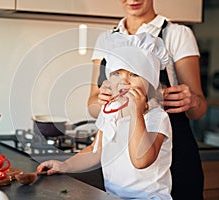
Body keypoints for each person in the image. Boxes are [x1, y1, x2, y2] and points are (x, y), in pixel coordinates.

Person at [87, 1, 207, 199]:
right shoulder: (106, 39)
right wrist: (103, 99)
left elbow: (199, 110)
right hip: (124, 162)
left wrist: (192, 101)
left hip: (174, 151)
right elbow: (92, 105)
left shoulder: (176, 34)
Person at [37, 32, 173, 199]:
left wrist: (136, 112)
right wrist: (64, 165)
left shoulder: (156, 117)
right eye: (117, 73)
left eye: (134, 74)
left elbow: (141, 161)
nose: (124, 81)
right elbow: (96, 151)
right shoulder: (111, 110)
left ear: (150, 81)